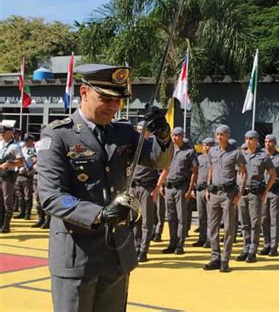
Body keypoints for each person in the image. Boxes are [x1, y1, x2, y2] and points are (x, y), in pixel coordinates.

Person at [36, 64, 173, 312]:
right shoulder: (58, 135)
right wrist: (99, 214)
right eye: (106, 99)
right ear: (84, 92)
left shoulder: (123, 133)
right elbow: (52, 197)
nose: (113, 107)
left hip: (116, 253)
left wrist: (163, 135)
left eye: (117, 101)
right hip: (77, 255)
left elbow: (158, 160)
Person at [203, 125, 247, 273]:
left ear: (228, 136)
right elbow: (210, 168)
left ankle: (225, 260)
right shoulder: (212, 151)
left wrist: (239, 193)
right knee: (212, 227)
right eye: (217, 135)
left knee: (228, 228)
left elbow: (243, 173)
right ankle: (215, 257)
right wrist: (208, 188)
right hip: (214, 194)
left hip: (228, 195)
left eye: (222, 134)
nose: (219, 137)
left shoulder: (236, 153)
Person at [156, 127, 198, 255]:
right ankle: (172, 243)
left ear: (182, 136)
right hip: (168, 187)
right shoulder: (169, 150)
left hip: (181, 187)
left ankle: (180, 245)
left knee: (181, 218)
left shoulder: (189, 152)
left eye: (177, 135)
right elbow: (163, 168)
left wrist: (190, 189)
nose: (174, 138)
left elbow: (194, 172)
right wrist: (161, 185)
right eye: (173, 135)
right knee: (171, 217)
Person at [236, 130, 276, 263]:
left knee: (255, 223)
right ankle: (245, 248)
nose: (248, 141)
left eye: (251, 139)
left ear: (256, 141)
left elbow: (272, 175)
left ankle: (253, 250)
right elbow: (239, 174)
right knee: (244, 223)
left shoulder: (263, 157)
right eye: (246, 139)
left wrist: (265, 192)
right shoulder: (241, 155)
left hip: (255, 194)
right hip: (243, 193)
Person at [131, 121, 160, 262]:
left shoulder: (154, 147)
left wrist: (157, 188)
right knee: (134, 219)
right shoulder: (133, 146)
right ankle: (135, 247)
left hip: (147, 187)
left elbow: (165, 169)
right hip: (133, 187)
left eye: (142, 129)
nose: (139, 132)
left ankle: (143, 250)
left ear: (149, 132)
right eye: (137, 129)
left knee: (146, 221)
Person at [260, 134, 279, 257]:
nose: (267, 144)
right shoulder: (260, 155)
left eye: (270, 141)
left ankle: (273, 246)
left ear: (274, 143)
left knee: (274, 220)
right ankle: (266, 244)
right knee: (263, 220)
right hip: (262, 191)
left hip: (275, 191)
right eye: (265, 141)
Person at [0, 121, 24, 233]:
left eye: (3, 132)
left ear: (9, 133)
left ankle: (6, 224)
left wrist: (9, 164)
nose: (1, 134)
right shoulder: (0, 144)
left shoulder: (15, 146)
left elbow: (21, 162)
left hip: (8, 175)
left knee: (7, 199)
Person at [192, 137, 215, 247]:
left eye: (208, 145)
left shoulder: (215, 158)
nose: (206, 147)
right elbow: (195, 173)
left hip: (210, 190)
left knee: (210, 216)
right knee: (201, 216)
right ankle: (202, 238)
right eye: (204, 145)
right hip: (200, 189)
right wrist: (193, 188)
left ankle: (210, 239)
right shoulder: (199, 158)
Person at [14, 133, 37, 220]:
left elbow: (35, 159)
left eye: (29, 141)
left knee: (27, 195)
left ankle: (27, 214)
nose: (27, 142)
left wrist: (30, 169)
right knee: (19, 194)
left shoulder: (30, 150)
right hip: (19, 174)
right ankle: (21, 212)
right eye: (26, 140)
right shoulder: (21, 149)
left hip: (27, 175)